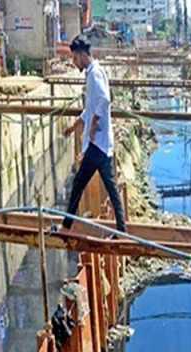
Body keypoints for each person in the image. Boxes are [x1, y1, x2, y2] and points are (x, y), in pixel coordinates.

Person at [57, 35, 127, 236]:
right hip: (100, 144)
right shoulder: (92, 73)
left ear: (80, 55)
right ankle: (121, 229)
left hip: (97, 144)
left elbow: (104, 100)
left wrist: (94, 124)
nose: (73, 62)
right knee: (111, 188)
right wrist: (74, 126)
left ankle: (66, 226)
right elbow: (90, 108)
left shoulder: (95, 73)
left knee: (78, 184)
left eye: (74, 58)